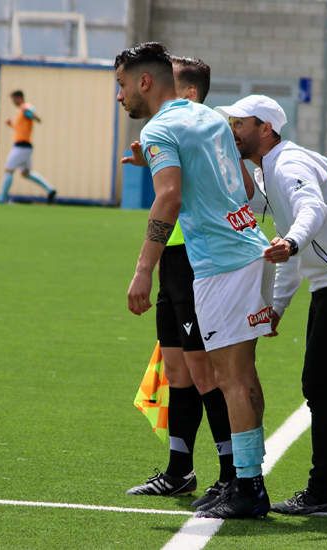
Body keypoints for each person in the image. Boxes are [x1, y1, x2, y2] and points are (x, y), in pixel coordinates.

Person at [115, 42, 273, 519]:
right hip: (246, 249)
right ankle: (245, 480)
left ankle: (248, 488)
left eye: (121, 85)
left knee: (230, 379)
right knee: (237, 376)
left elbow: (168, 200)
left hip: (221, 261)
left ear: (145, 81)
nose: (120, 96)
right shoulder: (208, 119)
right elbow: (243, 185)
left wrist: (143, 269)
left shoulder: (160, 127)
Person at [221, 95, 327, 517]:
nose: (233, 130)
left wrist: (292, 241)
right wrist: (277, 306)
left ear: (266, 129)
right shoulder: (270, 167)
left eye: (239, 123)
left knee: (316, 384)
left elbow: (310, 211)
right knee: (326, 379)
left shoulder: (289, 165)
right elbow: (290, 245)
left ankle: (321, 493)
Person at [123, 56, 236, 510]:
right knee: (177, 370)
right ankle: (179, 470)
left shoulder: (204, 128)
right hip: (174, 259)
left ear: (188, 93)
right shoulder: (174, 136)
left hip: (196, 259)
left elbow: (192, 193)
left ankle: (232, 475)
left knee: (206, 371)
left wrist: (141, 269)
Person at [0, 90, 57, 204]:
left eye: (14, 99)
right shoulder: (21, 111)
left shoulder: (25, 107)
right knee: (26, 173)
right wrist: (11, 125)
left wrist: (32, 114)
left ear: (19, 98)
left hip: (21, 147)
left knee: (9, 170)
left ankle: (2, 198)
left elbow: (32, 114)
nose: (13, 102)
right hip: (25, 147)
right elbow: (21, 129)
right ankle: (50, 190)